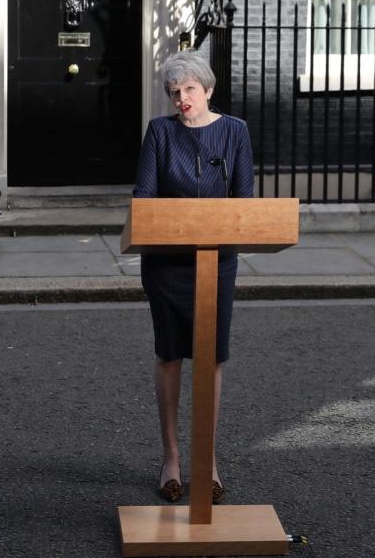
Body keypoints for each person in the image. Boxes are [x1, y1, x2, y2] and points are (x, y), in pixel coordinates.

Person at [133, 50, 254, 505]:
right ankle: (171, 458)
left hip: (217, 262)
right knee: (169, 355)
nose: (181, 99)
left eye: (189, 90)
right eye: (174, 92)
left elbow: (244, 202)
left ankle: (208, 460)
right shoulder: (160, 133)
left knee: (211, 358)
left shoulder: (235, 132)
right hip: (166, 265)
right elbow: (143, 199)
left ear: (207, 89)